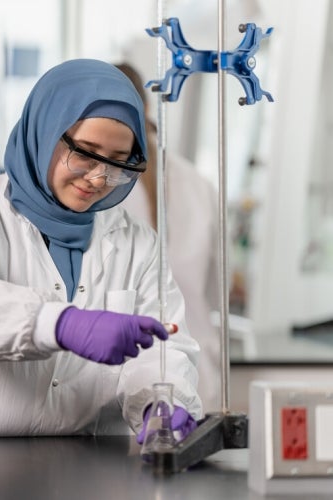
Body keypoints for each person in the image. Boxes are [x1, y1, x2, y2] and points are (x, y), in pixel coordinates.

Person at [0, 59, 203, 439]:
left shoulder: (137, 243)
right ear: (44, 131)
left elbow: (162, 348)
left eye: (118, 163)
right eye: (85, 153)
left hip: (89, 466)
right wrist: (60, 324)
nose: (99, 179)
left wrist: (162, 403)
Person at [116, 62, 221, 411]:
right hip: (193, 366)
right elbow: (216, 287)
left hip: (144, 372)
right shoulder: (197, 182)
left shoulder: (95, 187)